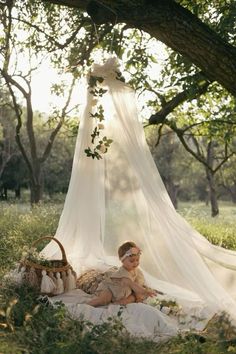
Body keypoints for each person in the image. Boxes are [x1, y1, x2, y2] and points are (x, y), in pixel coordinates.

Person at [87, 241, 158, 307]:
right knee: (104, 300)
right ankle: (86, 306)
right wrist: (144, 291)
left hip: (123, 292)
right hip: (110, 288)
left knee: (133, 298)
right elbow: (133, 285)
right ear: (122, 260)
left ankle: (116, 304)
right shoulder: (123, 273)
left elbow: (138, 283)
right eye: (132, 261)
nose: (135, 263)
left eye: (137, 260)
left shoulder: (136, 270)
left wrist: (140, 294)